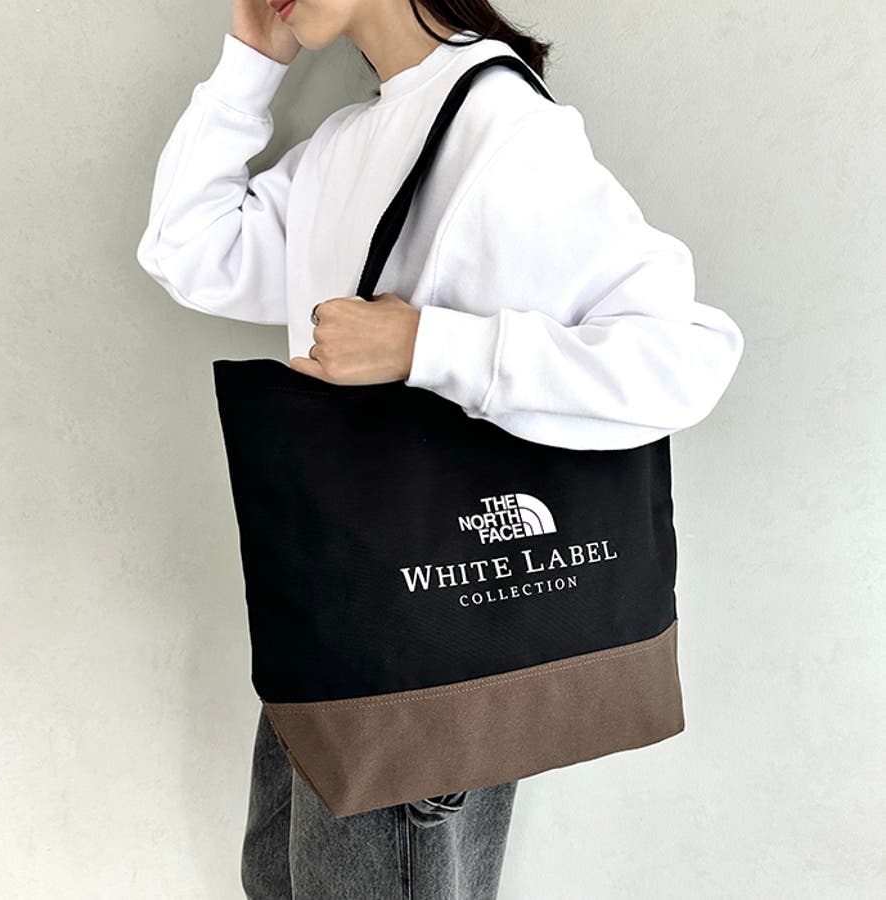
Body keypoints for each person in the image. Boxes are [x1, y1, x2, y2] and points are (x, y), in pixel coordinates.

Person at [136, 1, 745, 896]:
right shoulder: (352, 140)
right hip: (337, 636)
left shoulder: (503, 127)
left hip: (427, 664)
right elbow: (187, 251)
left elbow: (686, 358)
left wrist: (430, 346)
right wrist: (250, 63)